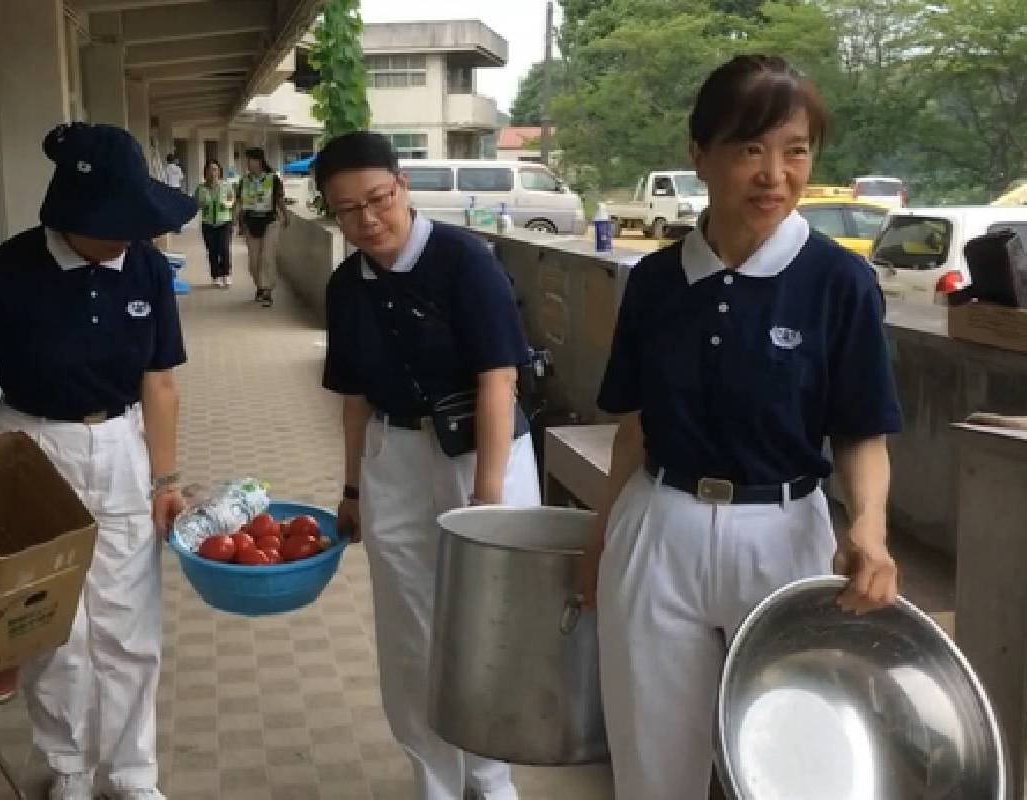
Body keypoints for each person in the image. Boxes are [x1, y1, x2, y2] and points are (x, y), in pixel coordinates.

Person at [581, 55, 903, 800]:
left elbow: (861, 431)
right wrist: (600, 540)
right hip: (659, 529)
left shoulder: (839, 283)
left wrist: (871, 528)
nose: (774, 175)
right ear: (699, 154)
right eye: (749, 149)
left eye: (795, 151)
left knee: (797, 764)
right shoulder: (655, 283)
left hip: (787, 536)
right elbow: (634, 427)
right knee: (653, 762)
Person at [0, 123, 195, 800]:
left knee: (129, 624)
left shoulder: (142, 265)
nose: (129, 237)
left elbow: (160, 381)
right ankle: (70, 770)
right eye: (116, 224)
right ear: (73, 216)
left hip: (120, 447)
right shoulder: (8, 270)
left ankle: (133, 774)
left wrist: (166, 480)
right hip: (31, 449)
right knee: (51, 627)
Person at [316, 131, 540, 800]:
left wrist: (488, 498)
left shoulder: (464, 262)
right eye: (346, 209)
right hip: (395, 459)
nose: (368, 219)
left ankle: (491, 779)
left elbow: (499, 380)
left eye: (378, 199)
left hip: (483, 455)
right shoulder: (346, 285)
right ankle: (435, 779)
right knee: (410, 627)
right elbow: (354, 399)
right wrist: (352, 487)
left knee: (489, 625)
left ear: (402, 186)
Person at [233, 146, 289, 307]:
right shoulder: (244, 181)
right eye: (247, 160)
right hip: (251, 223)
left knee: (267, 256)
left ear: (260, 161)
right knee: (254, 260)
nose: (248, 163)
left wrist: (285, 215)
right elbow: (239, 202)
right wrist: (235, 218)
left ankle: (267, 290)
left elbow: (279, 199)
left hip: (270, 221)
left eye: (251, 160)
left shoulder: (272, 179)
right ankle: (259, 286)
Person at [194, 159, 234, 287]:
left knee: (224, 249)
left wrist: (228, 204)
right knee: (212, 250)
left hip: (224, 221)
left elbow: (232, 199)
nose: (213, 172)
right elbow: (196, 204)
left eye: (215, 169)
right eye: (210, 169)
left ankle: (226, 274)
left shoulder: (226, 185)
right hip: (208, 223)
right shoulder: (200, 188)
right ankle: (216, 275)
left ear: (219, 171)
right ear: (205, 172)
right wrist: (200, 203)